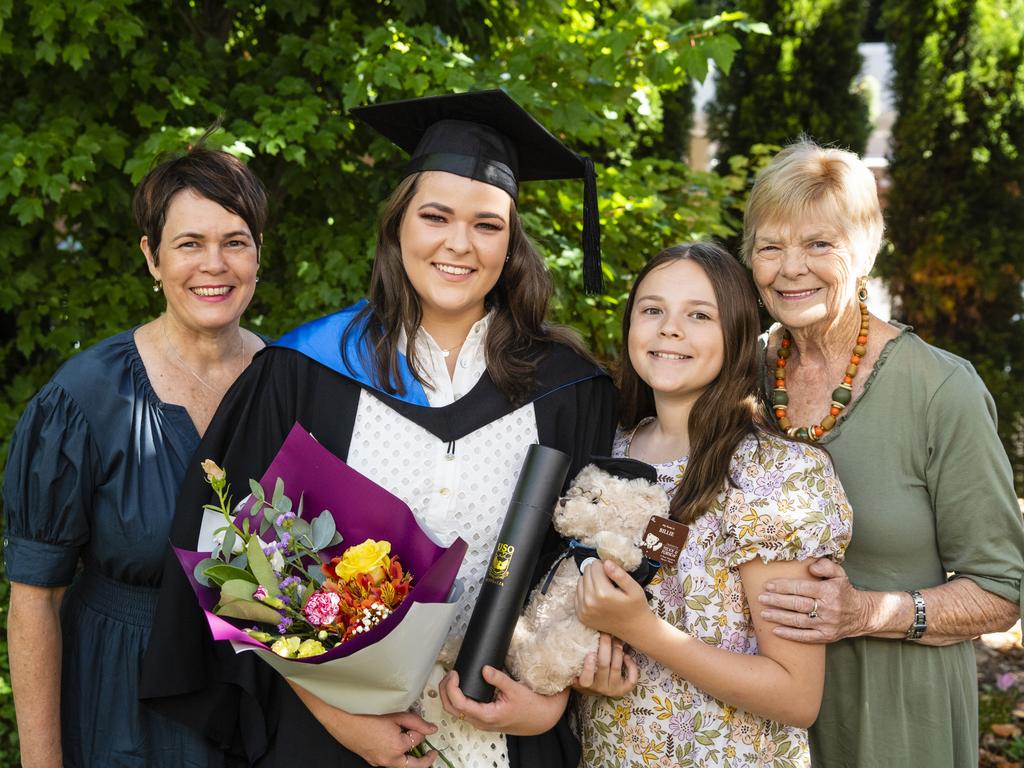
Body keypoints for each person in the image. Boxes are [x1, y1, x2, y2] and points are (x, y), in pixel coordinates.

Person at [139, 90, 617, 768]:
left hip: (502, 733)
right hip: (330, 739)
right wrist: (334, 712)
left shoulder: (570, 390)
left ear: (511, 244)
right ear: (397, 227)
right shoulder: (307, 372)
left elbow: (590, 572)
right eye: (435, 216)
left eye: (487, 224)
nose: (459, 244)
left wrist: (552, 702)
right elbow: (227, 555)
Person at [746, 139, 1024, 766]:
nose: (791, 268)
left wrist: (866, 611)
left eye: (820, 244)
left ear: (866, 251)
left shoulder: (941, 390)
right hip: (754, 718)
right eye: (770, 246)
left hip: (894, 717)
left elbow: (1001, 588)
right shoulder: (736, 376)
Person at [3, 146, 268, 767]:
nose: (215, 265)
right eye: (189, 243)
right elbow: (34, 601)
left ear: (260, 252)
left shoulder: (293, 387)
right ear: (151, 257)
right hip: (122, 713)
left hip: (261, 705)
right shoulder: (86, 398)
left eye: (235, 241)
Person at [573, 242, 853, 767]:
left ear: (738, 335)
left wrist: (642, 631)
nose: (670, 328)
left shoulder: (774, 476)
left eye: (699, 315)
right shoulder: (605, 453)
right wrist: (594, 670)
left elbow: (796, 695)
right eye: (652, 309)